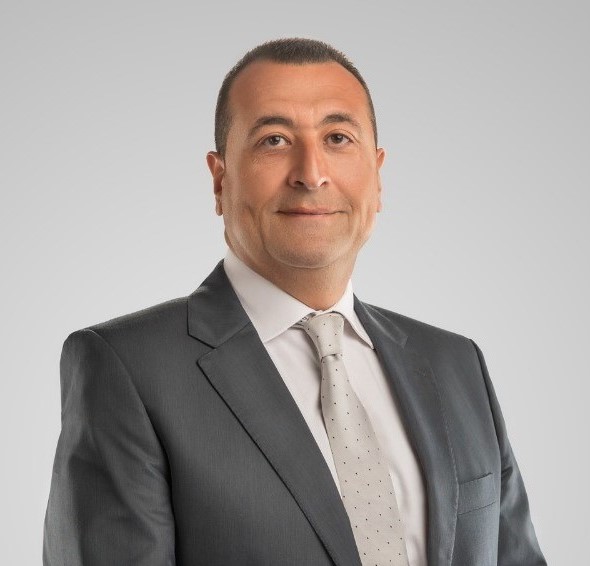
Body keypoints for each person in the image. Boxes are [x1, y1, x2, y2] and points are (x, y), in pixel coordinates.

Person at [43, 38, 546, 566]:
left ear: (377, 176)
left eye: (338, 137)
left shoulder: (456, 363)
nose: (311, 172)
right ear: (219, 179)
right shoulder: (129, 367)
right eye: (275, 140)